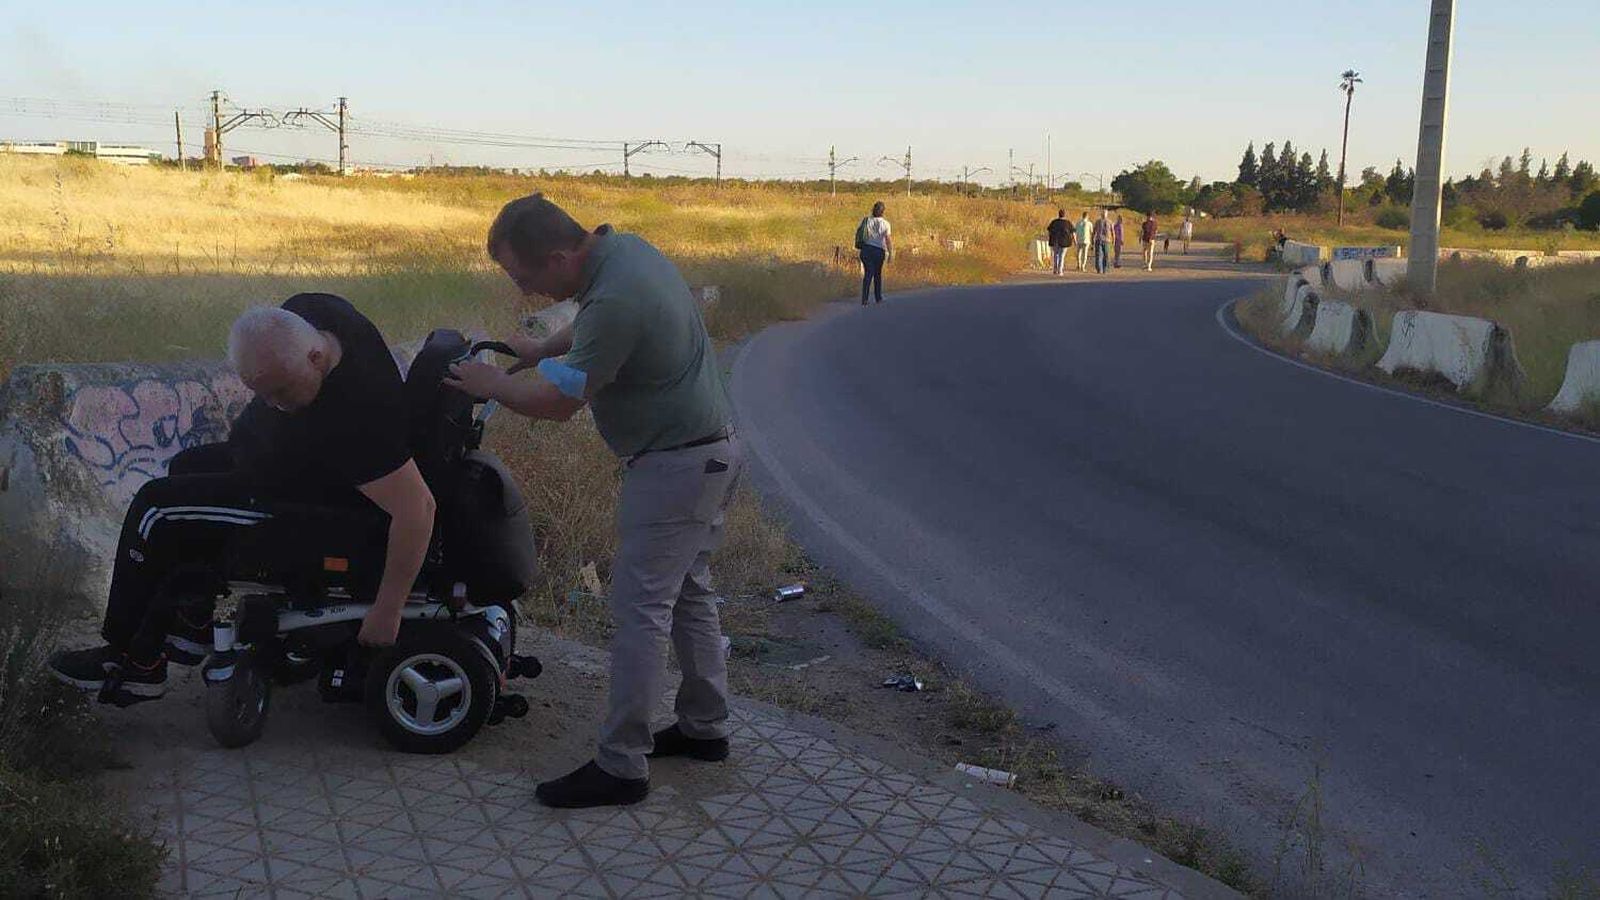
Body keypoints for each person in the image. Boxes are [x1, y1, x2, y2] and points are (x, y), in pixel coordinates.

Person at [446, 194, 742, 809]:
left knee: (641, 610)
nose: (525, 291)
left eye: (523, 277)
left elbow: (560, 405)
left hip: (674, 467)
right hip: (706, 454)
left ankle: (622, 765)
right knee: (689, 592)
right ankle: (704, 727)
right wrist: (539, 351)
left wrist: (493, 384)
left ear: (558, 257)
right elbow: (590, 336)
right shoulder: (622, 253)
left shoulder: (615, 298)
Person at [48, 295, 435, 703]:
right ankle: (192, 621)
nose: (273, 403)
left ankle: (129, 659)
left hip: (304, 506)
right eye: (262, 393)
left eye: (281, 390)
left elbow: (419, 508)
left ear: (316, 358)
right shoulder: (314, 312)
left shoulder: (359, 418)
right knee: (185, 467)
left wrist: (388, 610)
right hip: (278, 465)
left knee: (156, 509)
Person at [855, 201, 893, 305]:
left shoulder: (867, 220)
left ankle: (865, 298)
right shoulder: (886, 224)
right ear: (883, 212)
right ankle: (878, 297)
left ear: (873, 210)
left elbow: (860, 232)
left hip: (866, 249)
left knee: (868, 273)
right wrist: (890, 252)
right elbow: (888, 239)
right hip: (878, 250)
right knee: (877, 274)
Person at [1046, 209, 1073, 276]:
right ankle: (1060, 270)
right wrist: (1075, 241)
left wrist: (1049, 237)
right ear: (1064, 215)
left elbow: (1049, 230)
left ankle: (1055, 270)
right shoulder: (1068, 223)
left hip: (1055, 241)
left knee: (1055, 255)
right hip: (1064, 242)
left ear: (1059, 214)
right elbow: (1073, 232)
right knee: (1062, 256)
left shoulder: (1054, 222)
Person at [1092, 210, 1113, 274]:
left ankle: (1102, 269)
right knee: (1102, 255)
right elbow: (1094, 231)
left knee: (1103, 255)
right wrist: (1092, 238)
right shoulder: (1099, 221)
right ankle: (1101, 269)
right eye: (1103, 213)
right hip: (1101, 240)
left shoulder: (1109, 222)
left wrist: (1113, 240)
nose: (1103, 214)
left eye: (1104, 213)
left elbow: (1112, 232)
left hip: (1105, 240)